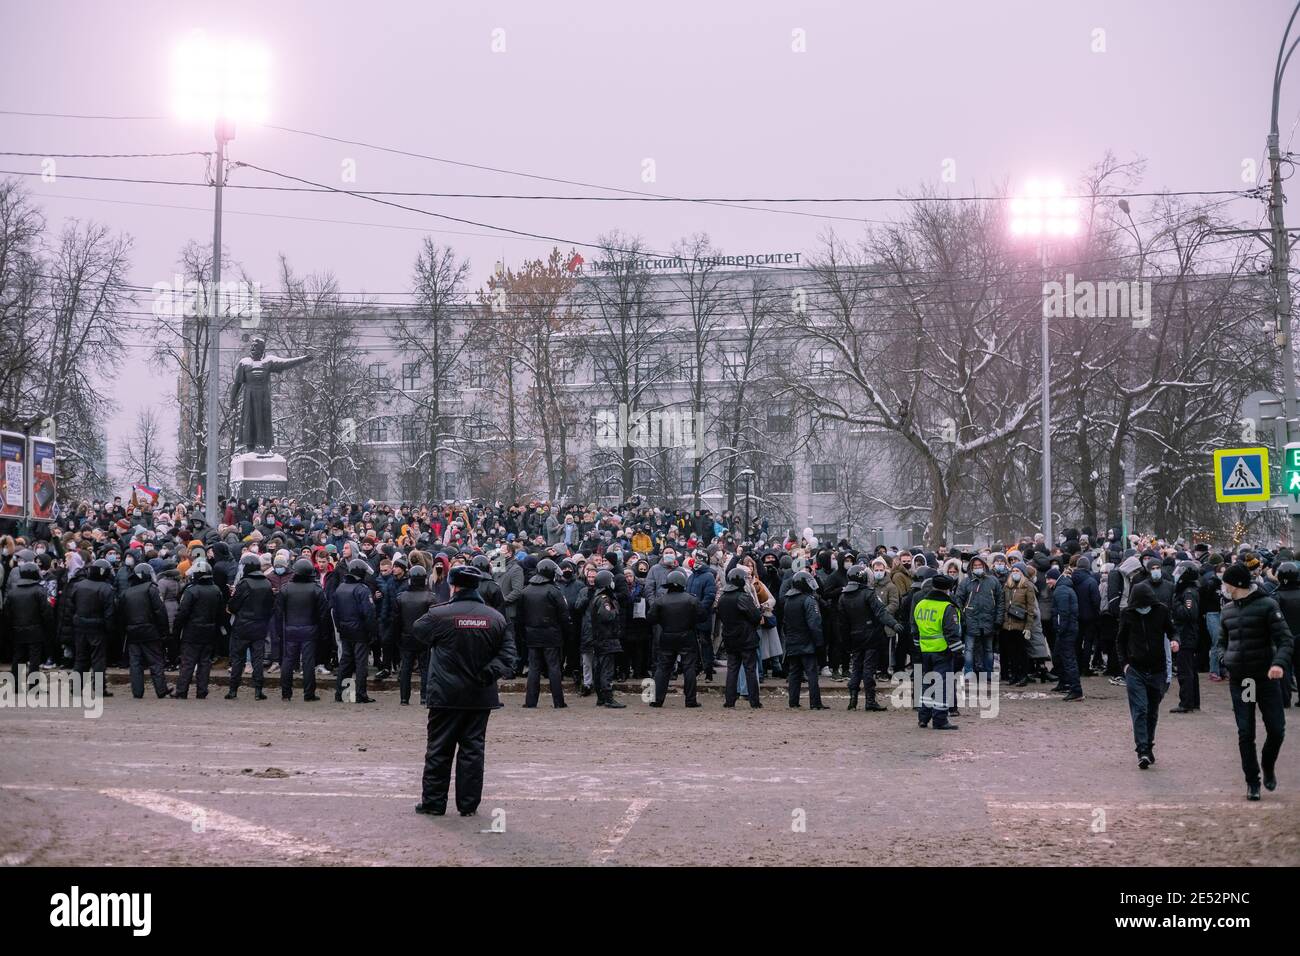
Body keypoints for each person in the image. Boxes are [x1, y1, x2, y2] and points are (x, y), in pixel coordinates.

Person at [412, 565, 515, 817]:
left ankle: (434, 803)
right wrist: (488, 673)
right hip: (479, 695)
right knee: (472, 750)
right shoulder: (495, 618)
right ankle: (468, 805)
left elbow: (418, 631)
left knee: (439, 749)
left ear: (453, 586)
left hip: (445, 695)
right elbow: (509, 654)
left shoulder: (439, 615)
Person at [1217, 562, 1294, 800]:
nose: (1223, 586)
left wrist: (1278, 664)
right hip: (1243, 681)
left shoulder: (1268, 605)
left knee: (1276, 729)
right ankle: (1253, 781)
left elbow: (1285, 640)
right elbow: (1221, 641)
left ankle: (1268, 765)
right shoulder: (1227, 610)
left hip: (1266, 678)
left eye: (1225, 583)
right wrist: (1224, 658)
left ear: (1236, 584)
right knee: (1245, 731)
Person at [1116, 582, 1177, 770]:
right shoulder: (1127, 614)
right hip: (1135, 669)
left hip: (1157, 670)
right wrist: (1124, 665)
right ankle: (1142, 750)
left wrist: (1175, 640)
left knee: (1152, 711)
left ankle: (1148, 746)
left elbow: (1172, 630)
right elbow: (1120, 641)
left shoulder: (1161, 611)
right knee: (1140, 709)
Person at [839, 564, 900, 711]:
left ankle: (852, 700)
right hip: (871, 636)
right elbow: (881, 612)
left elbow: (842, 624)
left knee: (856, 668)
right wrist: (894, 624)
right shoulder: (868, 593)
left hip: (854, 637)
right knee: (868, 669)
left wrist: (846, 643)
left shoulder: (843, 597)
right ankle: (870, 701)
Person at [911, 573, 962, 730]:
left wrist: (918, 647)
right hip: (942, 651)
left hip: (924, 650)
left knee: (926, 684)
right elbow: (951, 633)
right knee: (942, 685)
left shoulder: (921, 604)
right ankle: (940, 719)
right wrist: (958, 653)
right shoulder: (947, 607)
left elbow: (914, 628)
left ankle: (923, 717)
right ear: (948, 590)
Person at [62, 558, 117, 697]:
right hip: (97, 628)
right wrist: (110, 631)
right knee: (98, 660)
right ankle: (99, 689)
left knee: (80, 658)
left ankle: (75, 688)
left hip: (80, 627)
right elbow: (110, 613)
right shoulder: (106, 589)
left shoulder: (78, 585)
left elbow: (70, 607)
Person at [118, 561, 173, 699]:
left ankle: (137, 692)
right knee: (155, 661)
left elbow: (121, 615)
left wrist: (125, 630)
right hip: (150, 631)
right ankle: (161, 689)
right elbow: (160, 611)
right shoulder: (151, 589)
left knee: (135, 663)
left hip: (132, 633)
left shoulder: (126, 593)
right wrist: (164, 632)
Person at [648, 568, 702, 708]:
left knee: (663, 668)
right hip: (687, 635)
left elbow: (651, 618)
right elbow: (702, 616)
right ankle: (690, 700)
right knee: (689, 668)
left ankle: (657, 700)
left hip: (667, 635)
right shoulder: (691, 599)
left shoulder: (660, 601)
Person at [520, 558, 569, 708]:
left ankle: (530, 702)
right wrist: (566, 632)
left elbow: (520, 616)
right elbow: (563, 615)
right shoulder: (554, 591)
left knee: (534, 668)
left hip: (532, 634)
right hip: (551, 634)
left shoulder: (526, 591)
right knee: (553, 667)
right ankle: (558, 702)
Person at [278, 558, 330, 701]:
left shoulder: (286, 588)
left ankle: (286, 693)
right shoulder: (316, 589)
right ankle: (309, 694)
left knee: (288, 661)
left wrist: (279, 631)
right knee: (308, 662)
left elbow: (278, 612)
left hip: (290, 629)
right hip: (310, 630)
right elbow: (323, 613)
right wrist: (324, 632)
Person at [173, 559, 225, 699]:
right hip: (209, 631)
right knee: (204, 662)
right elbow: (221, 613)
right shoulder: (216, 590)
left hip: (192, 631)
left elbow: (182, 612)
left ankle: (182, 690)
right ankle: (202, 690)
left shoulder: (192, 591)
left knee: (188, 662)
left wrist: (176, 630)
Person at [226, 553, 275, 700]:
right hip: (260, 626)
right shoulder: (266, 583)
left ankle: (233, 690)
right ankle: (258, 691)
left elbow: (233, 606)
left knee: (238, 659)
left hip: (242, 626)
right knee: (258, 660)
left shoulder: (244, 583)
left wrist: (232, 597)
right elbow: (270, 606)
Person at [332, 558, 378, 703]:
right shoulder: (362, 590)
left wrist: (340, 628)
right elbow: (369, 613)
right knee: (360, 664)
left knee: (345, 662)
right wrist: (372, 633)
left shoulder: (340, 588)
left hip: (345, 630)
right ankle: (360, 694)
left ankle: (343, 694)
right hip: (360, 632)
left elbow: (335, 612)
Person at [717, 565, 763, 709]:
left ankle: (729, 700)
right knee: (750, 669)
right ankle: (754, 701)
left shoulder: (723, 598)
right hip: (746, 638)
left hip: (730, 638)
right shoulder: (743, 597)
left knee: (732, 670)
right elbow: (755, 616)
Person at [395, 564, 438, 705]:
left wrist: (397, 637)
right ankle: (424, 697)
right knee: (425, 668)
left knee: (406, 668)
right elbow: (434, 620)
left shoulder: (401, 597)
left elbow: (396, 620)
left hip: (406, 637)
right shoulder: (431, 597)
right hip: (424, 638)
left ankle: (403, 698)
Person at [783, 570, 825, 709]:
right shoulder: (809, 600)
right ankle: (815, 703)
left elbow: (785, 623)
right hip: (807, 642)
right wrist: (819, 643)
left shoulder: (788, 600)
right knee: (812, 673)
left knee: (794, 673)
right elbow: (815, 624)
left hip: (792, 642)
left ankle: (793, 701)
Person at [5, 561, 52, 681]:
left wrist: (10, 627)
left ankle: (15, 684)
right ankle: (33, 685)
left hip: (17, 629)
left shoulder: (13, 591)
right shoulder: (39, 591)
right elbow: (46, 612)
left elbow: (7, 613)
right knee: (34, 658)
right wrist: (48, 628)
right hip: (36, 629)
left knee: (18, 656)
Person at [588, 569, 626, 708]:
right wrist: (616, 610)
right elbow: (607, 616)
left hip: (601, 639)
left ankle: (601, 697)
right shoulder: (604, 599)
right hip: (607, 639)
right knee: (606, 670)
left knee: (599, 668)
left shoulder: (597, 597)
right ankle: (608, 698)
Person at [1169, 564, 1201, 714]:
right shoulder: (1189, 590)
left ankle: (1186, 702)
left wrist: (1175, 604)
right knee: (1190, 670)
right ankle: (1193, 701)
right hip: (1188, 634)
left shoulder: (1188, 593)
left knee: (1185, 670)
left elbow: (1190, 614)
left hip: (1186, 635)